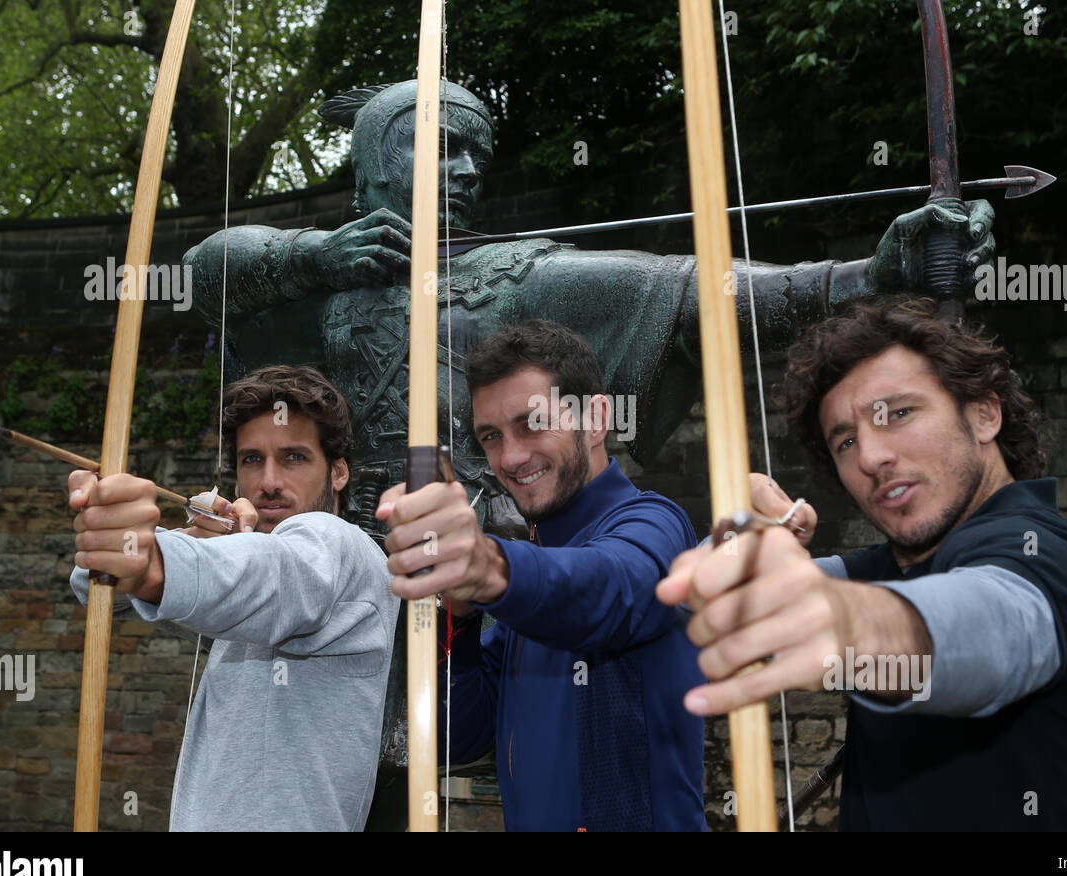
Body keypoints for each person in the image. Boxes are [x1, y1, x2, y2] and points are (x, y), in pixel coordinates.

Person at [183, 79, 997, 540]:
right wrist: (314, 256)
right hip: (332, 561)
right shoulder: (313, 284)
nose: (465, 170)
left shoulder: (510, 278)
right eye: (439, 145)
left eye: (476, 153)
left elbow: (685, 288)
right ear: (370, 163)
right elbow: (199, 272)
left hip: (487, 554)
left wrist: (865, 276)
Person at [657, 297, 1067, 831]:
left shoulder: (1052, 559)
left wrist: (850, 621)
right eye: (846, 441)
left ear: (984, 414)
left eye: (898, 413)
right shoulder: (889, 569)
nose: (870, 456)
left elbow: (990, 627)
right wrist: (734, 550)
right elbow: (692, 608)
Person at [377, 320, 706, 831]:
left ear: (596, 420)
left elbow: (613, 588)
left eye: (533, 423)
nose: (510, 457)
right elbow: (458, 736)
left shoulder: (653, 523)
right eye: (492, 436)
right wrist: (459, 617)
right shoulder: (536, 564)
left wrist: (491, 569)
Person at [67, 365, 399, 831]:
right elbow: (92, 586)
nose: (267, 482)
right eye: (251, 460)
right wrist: (187, 540)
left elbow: (277, 576)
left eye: (293, 458)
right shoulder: (248, 561)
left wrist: (151, 559)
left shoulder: (340, 544)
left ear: (339, 472)